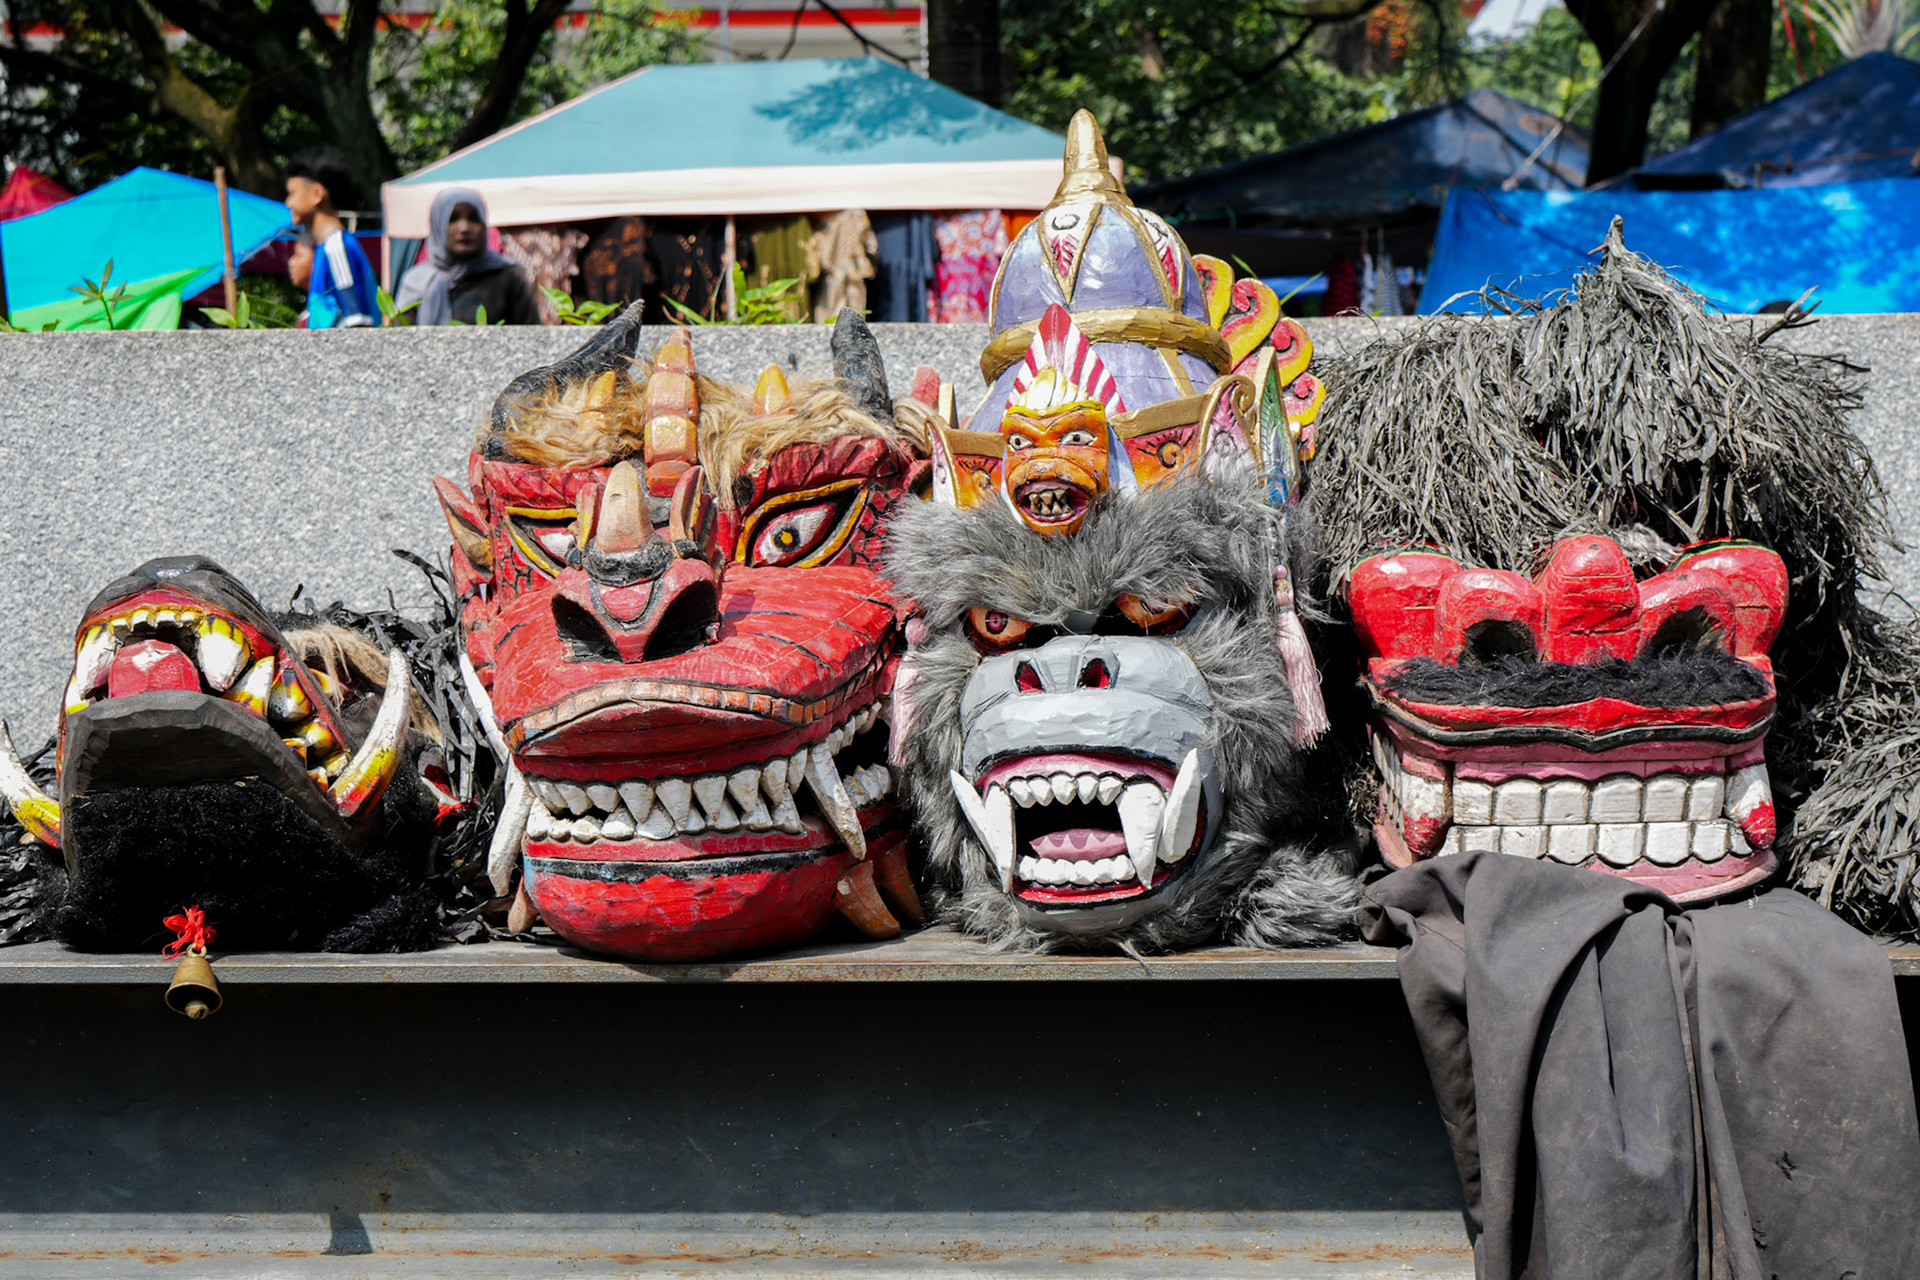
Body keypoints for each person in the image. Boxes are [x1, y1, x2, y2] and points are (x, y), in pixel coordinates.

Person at [392, 187, 541, 326]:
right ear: (438, 224)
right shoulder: (416, 282)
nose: (464, 228)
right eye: (453, 218)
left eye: (473, 218)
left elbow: (530, 335)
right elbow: (400, 341)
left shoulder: (509, 276)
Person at [284, 146, 379, 329]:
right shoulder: (326, 247)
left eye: (292, 193)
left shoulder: (336, 247)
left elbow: (356, 321)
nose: (288, 202)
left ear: (317, 194)